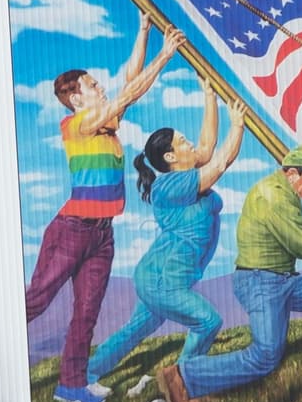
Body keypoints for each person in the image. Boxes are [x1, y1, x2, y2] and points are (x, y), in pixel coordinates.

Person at [25, 15, 186, 402]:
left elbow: (128, 82)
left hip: (102, 234)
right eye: (94, 85)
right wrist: (164, 56)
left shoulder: (106, 124)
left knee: (87, 310)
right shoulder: (79, 122)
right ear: (77, 97)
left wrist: (144, 31)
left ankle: (71, 385)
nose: (101, 88)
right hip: (72, 230)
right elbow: (128, 94)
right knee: (38, 299)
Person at [156, 144, 302, 402]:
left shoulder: (286, 193)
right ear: (292, 173)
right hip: (261, 282)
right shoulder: (273, 196)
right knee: (265, 357)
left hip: (283, 279)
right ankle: (183, 375)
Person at [87, 84, 247, 384]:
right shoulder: (169, 185)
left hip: (162, 277)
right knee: (207, 321)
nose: (191, 146)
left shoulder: (185, 176)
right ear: (171, 157)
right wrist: (237, 126)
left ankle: (86, 373)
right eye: (183, 143)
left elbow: (208, 147)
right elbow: (221, 162)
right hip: (163, 279)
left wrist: (209, 96)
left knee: (137, 328)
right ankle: (183, 380)